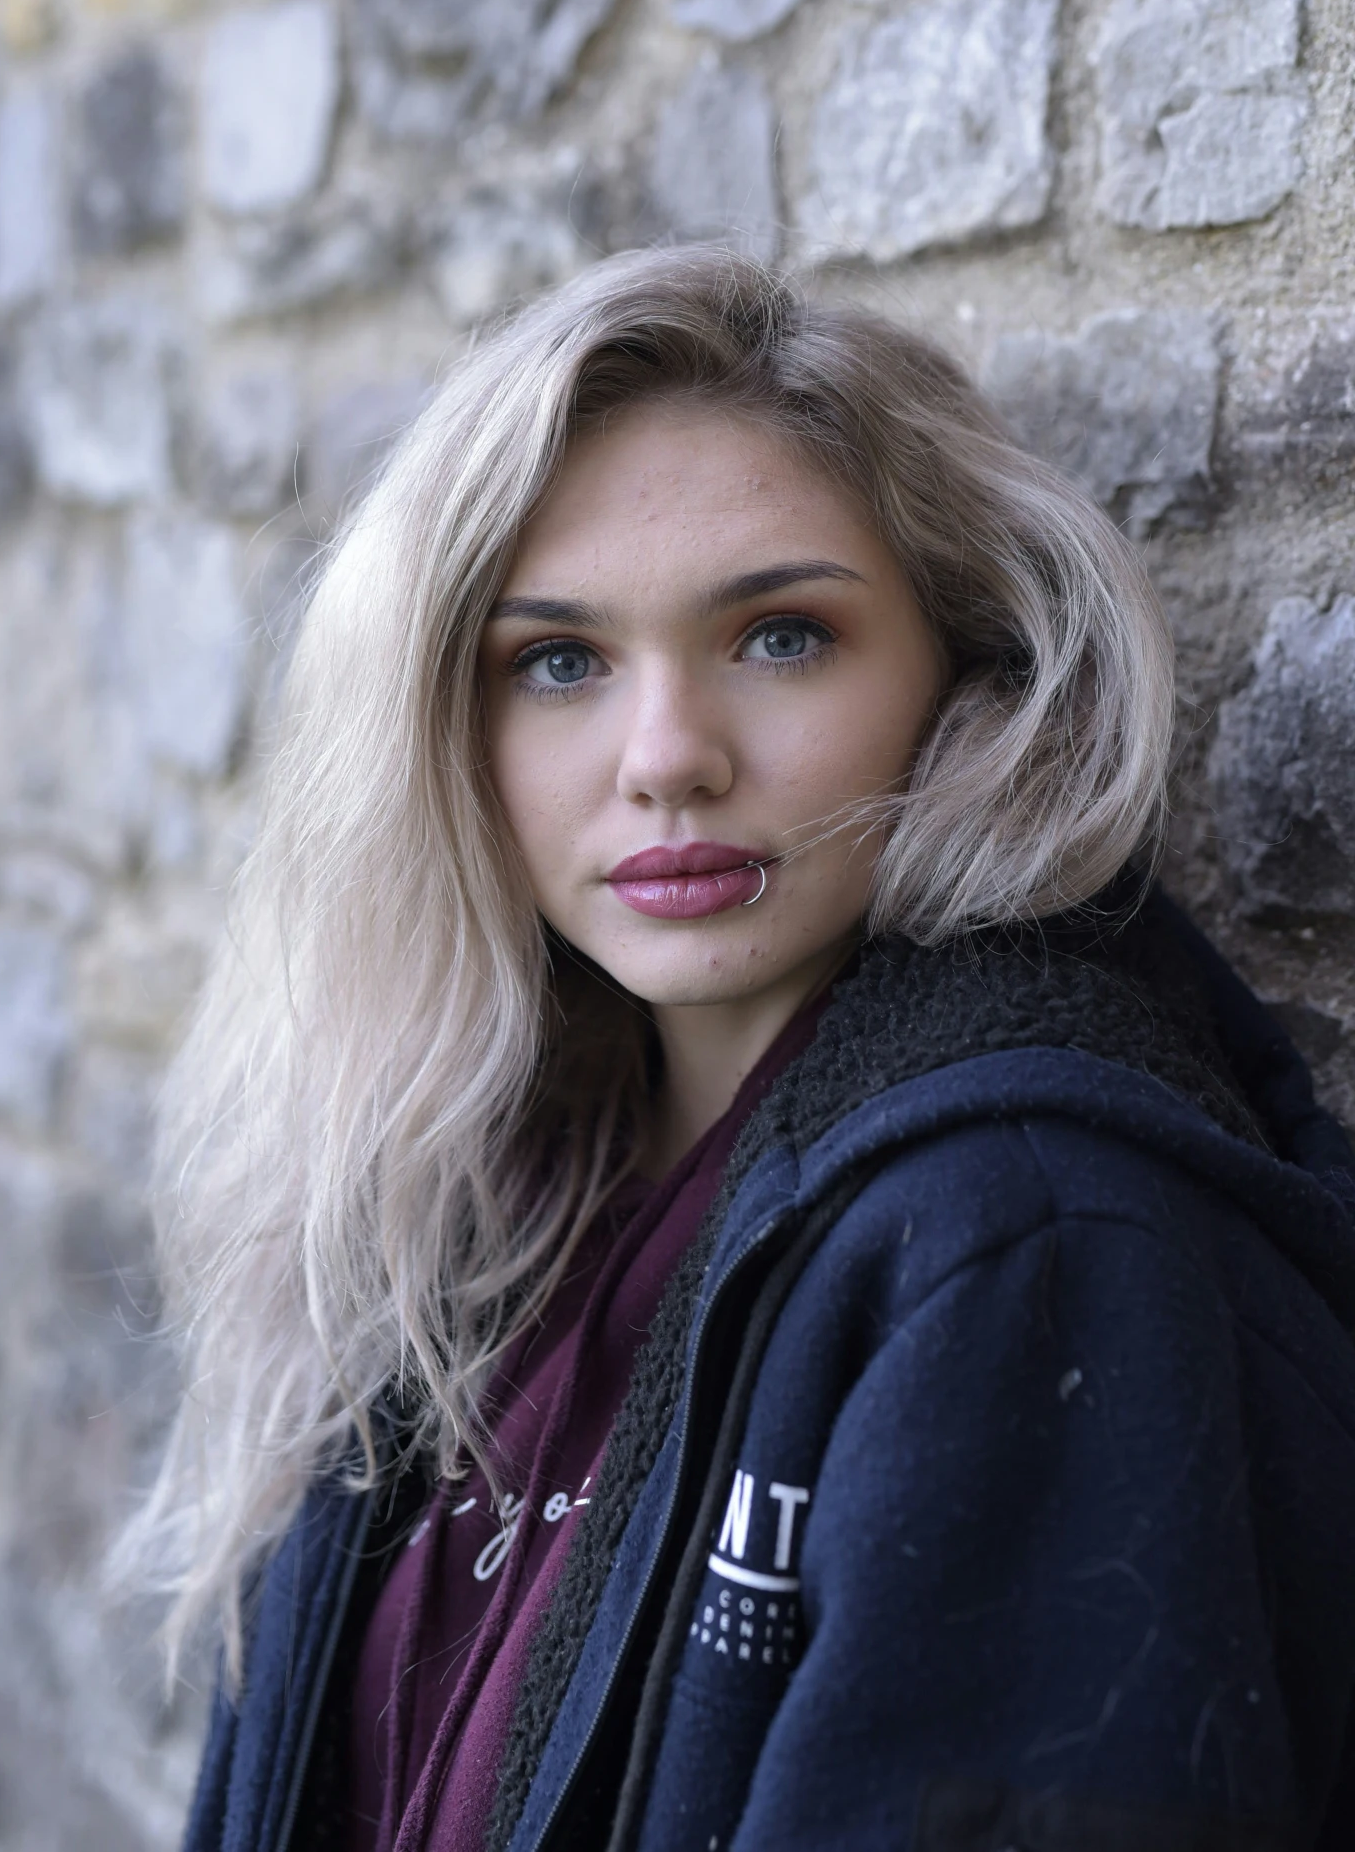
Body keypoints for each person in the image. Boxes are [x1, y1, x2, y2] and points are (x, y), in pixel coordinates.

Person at [134, 251, 1355, 1852]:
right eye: (557, 662)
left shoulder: (1031, 1243)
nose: (668, 762)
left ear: (968, 670)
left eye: (781, 636)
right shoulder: (469, 1187)